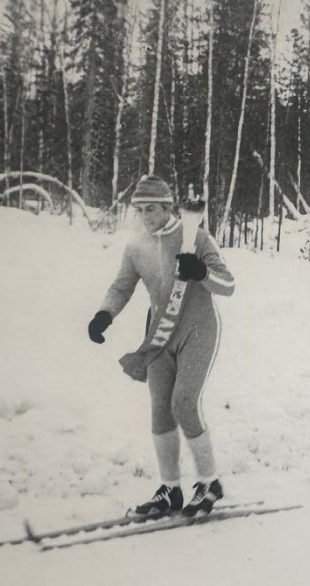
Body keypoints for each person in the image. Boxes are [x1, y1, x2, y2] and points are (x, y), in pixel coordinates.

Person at [87, 175, 236, 518]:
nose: (145, 216)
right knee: (160, 410)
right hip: (160, 335)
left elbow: (227, 284)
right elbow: (121, 287)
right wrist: (103, 315)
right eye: (139, 210)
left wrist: (200, 271)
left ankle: (209, 482)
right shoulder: (136, 247)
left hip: (198, 331)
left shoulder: (195, 238)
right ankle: (170, 490)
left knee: (184, 403)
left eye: (151, 209)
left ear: (168, 207)